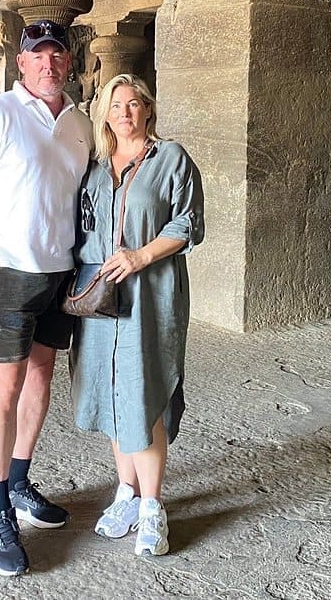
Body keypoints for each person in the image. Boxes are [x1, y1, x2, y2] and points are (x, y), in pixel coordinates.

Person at [0, 19, 93, 577]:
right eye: (38, 55)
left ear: (69, 62)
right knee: (4, 386)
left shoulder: (80, 122)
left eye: (57, 54)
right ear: (21, 63)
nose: (48, 64)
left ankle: (22, 477)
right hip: (6, 269)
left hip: (61, 272)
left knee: (41, 376)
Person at [71, 74, 204, 558]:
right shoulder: (93, 168)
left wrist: (140, 256)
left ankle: (152, 506)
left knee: (143, 391)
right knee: (109, 391)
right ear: (103, 113)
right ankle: (124, 494)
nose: (124, 112)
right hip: (99, 296)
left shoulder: (171, 159)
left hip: (150, 290)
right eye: (115, 104)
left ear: (148, 109)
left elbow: (188, 224)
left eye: (133, 104)